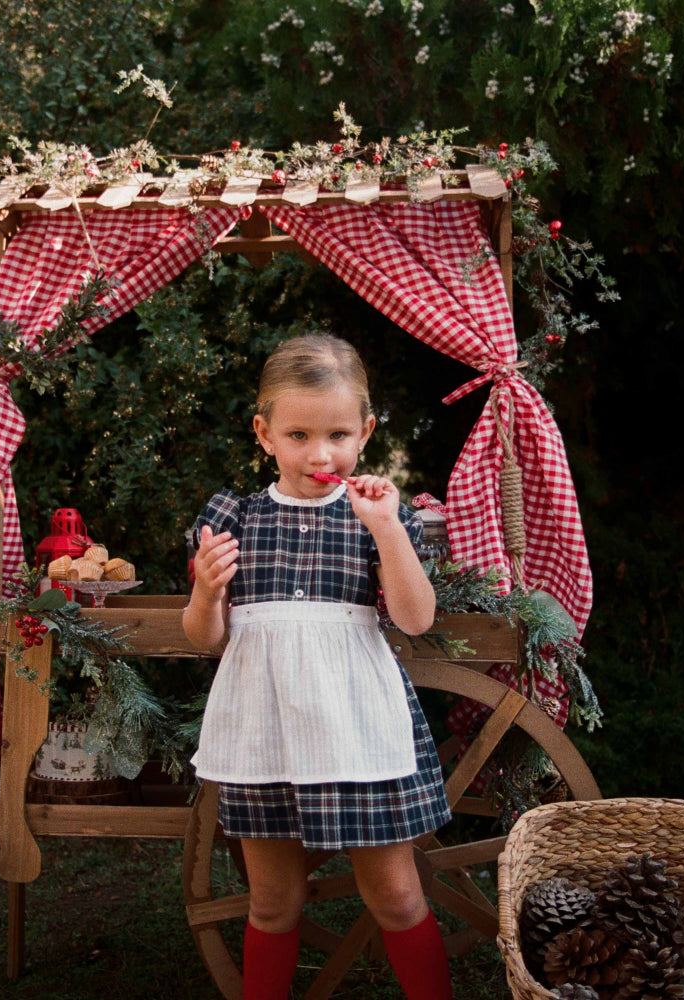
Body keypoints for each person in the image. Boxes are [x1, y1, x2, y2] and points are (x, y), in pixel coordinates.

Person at [182, 334, 453, 1000]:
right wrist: (206, 592)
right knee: (273, 901)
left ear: (365, 431)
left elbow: (416, 619)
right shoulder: (233, 517)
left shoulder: (379, 517)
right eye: (298, 434)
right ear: (264, 433)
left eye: (337, 433)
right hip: (263, 730)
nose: (320, 453)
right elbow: (204, 638)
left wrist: (388, 529)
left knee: (394, 893)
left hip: (356, 729)